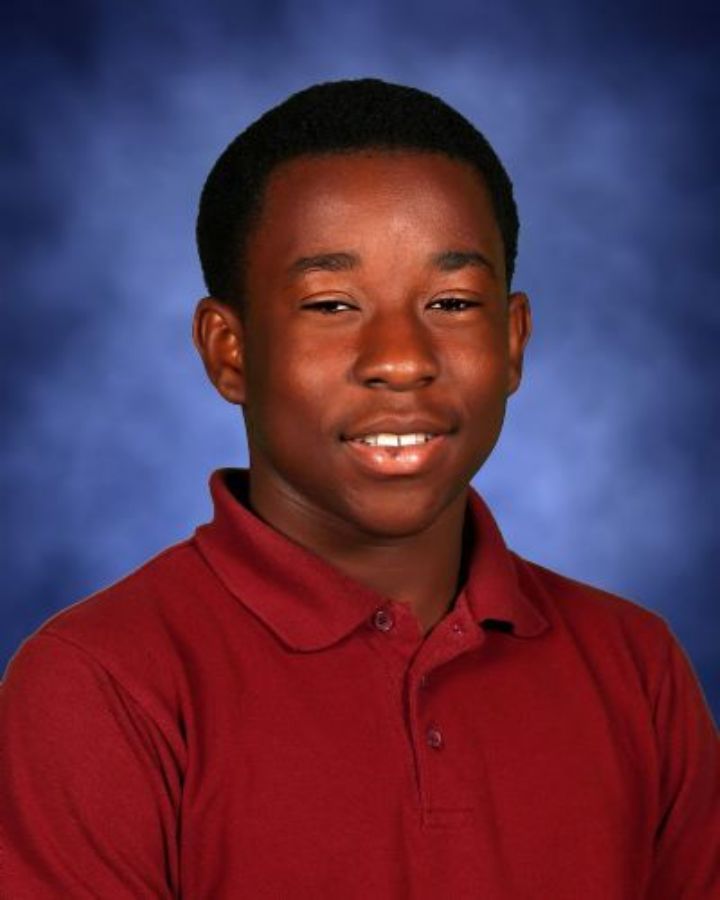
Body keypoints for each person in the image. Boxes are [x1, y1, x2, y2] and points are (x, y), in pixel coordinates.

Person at [1, 78, 717, 899]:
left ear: (513, 341)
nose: (402, 360)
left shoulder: (635, 668)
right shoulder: (101, 683)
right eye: (333, 304)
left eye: (452, 301)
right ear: (230, 351)